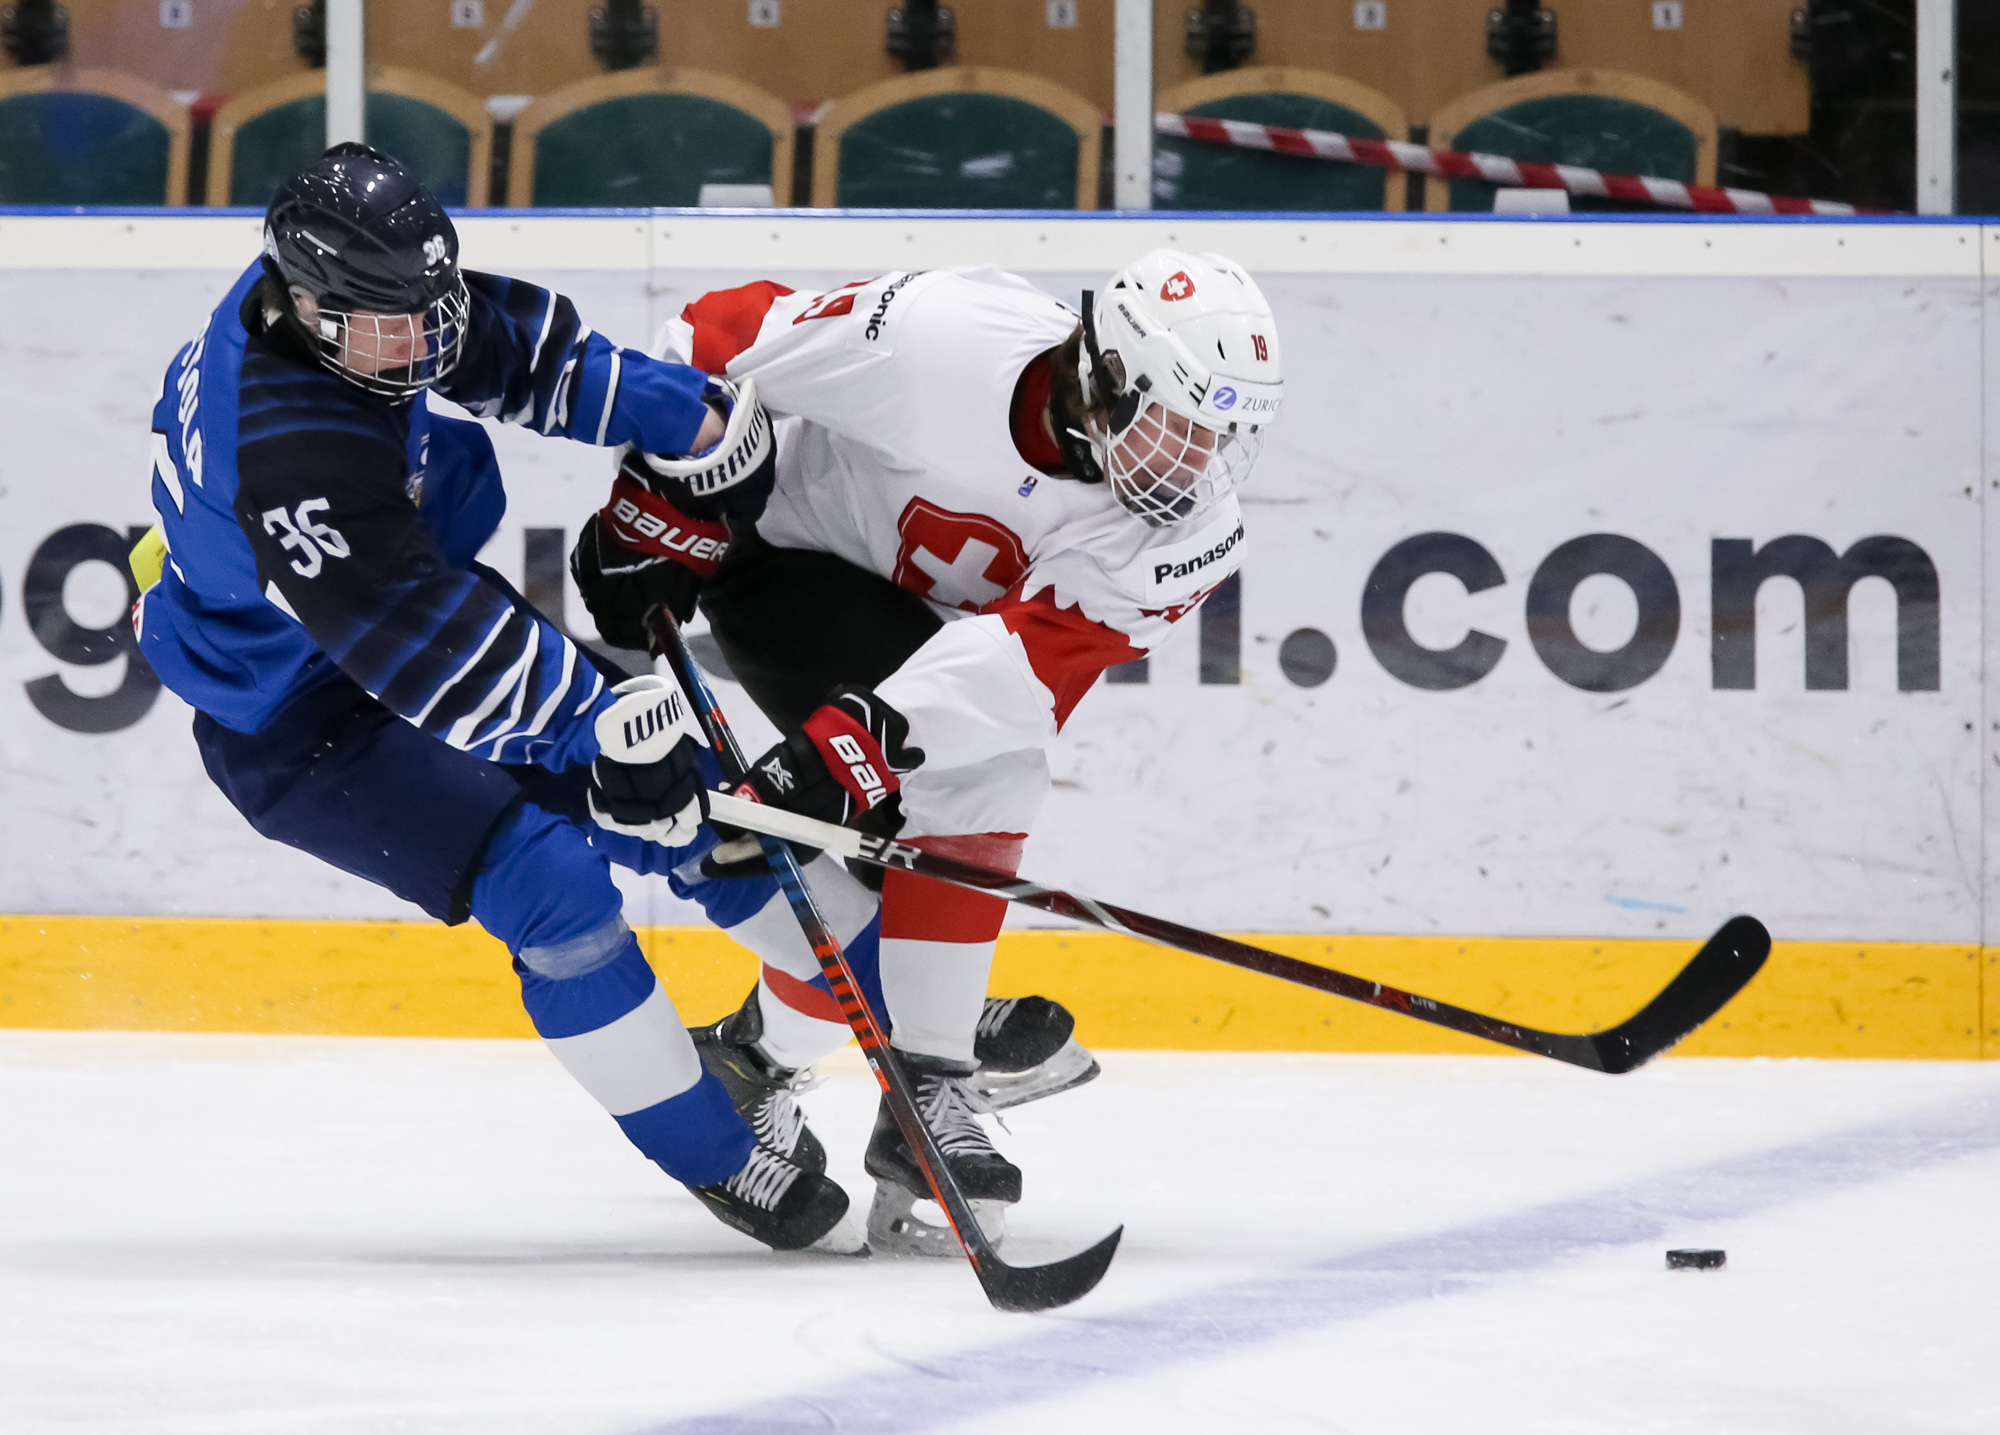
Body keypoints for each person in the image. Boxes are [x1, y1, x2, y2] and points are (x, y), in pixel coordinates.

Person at [132, 143, 865, 1255]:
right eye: (397, 325)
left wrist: (686, 419)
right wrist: (596, 729)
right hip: (298, 723)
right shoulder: (284, 449)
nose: (425, 340)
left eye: (428, 308)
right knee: (554, 888)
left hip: (386, 607)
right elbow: (429, 651)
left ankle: (914, 1021)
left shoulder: (359, 297)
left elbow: (514, 351)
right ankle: (718, 1154)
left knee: (706, 804)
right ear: (310, 306)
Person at [570, 252, 1284, 1252]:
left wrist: (848, 749)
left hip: (925, 637)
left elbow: (1021, 670)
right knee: (972, 786)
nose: (1197, 465)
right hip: (783, 557)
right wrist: (665, 501)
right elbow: (711, 334)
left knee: (932, 831)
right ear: (1108, 377)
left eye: (1222, 439)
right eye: (1180, 426)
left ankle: (764, 1063)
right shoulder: (936, 336)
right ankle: (927, 1084)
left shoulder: (1189, 533)